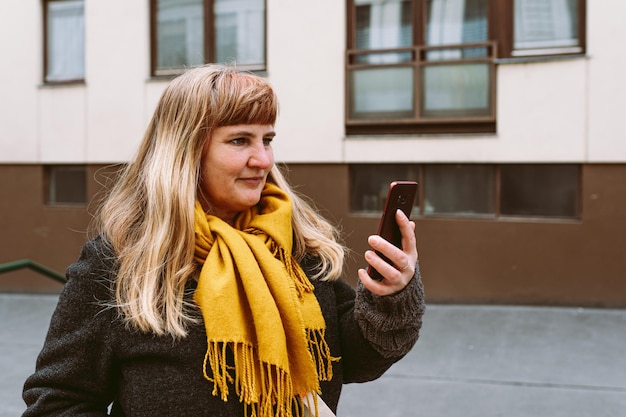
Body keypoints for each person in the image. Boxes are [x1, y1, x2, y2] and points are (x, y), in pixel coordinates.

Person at [22, 64, 425, 417]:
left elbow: (356, 360)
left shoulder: (295, 246)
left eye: (267, 139)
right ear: (185, 150)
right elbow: (58, 401)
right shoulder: (121, 262)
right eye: (239, 140)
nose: (264, 160)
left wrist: (390, 295)